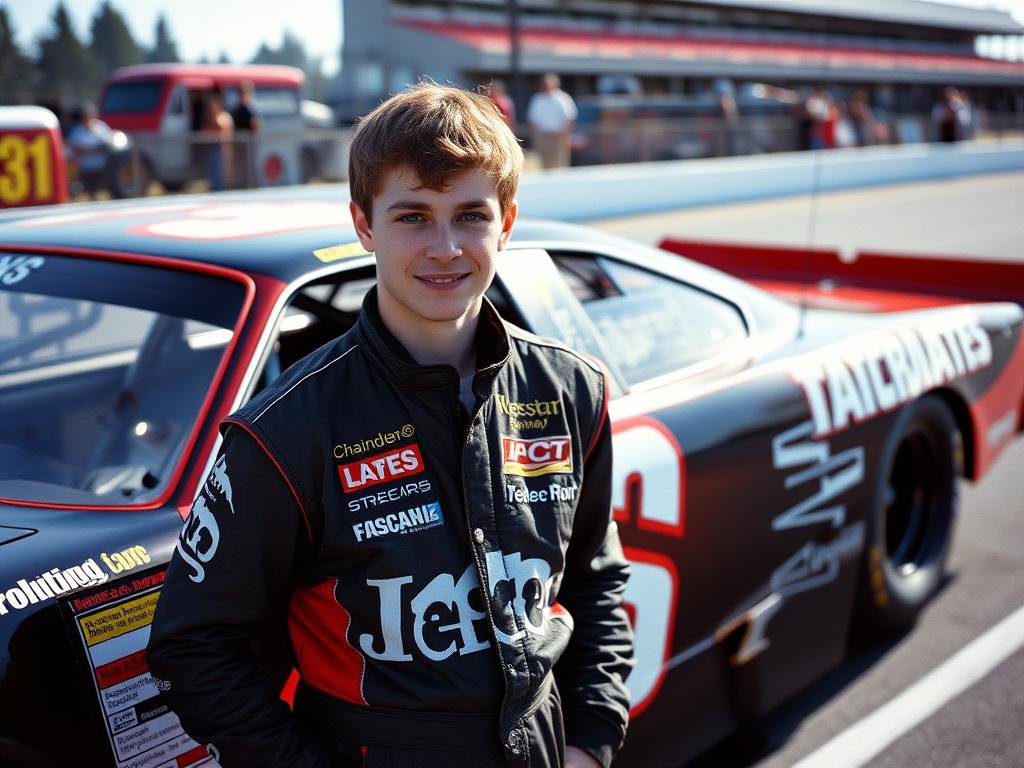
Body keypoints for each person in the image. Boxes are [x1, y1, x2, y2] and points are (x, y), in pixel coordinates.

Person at [147, 82, 634, 768]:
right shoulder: (285, 431)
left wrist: (591, 736)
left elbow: (595, 581)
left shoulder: (571, 390)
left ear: (508, 222)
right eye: (413, 216)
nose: (444, 247)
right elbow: (192, 648)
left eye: (470, 215)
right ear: (364, 223)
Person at [527, 73, 578, 169]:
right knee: (544, 162)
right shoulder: (538, 99)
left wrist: (564, 133)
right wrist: (539, 134)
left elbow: (569, 116)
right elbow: (533, 119)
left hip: (559, 135)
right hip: (543, 135)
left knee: (560, 162)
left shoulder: (563, 98)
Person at [66, 102, 114, 197]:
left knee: (105, 193)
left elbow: (110, 144)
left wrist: (89, 150)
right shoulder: (76, 132)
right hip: (86, 169)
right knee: (89, 193)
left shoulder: (101, 127)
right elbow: (75, 150)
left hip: (103, 167)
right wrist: (96, 149)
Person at [230, 80, 262, 188]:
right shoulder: (240, 109)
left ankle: (249, 186)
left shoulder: (248, 109)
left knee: (249, 168)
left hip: (247, 144)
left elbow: (256, 125)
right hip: (241, 145)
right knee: (242, 169)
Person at [201, 86, 233, 190]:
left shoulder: (223, 117)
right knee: (213, 170)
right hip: (212, 148)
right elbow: (205, 132)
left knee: (222, 172)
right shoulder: (209, 118)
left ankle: (221, 189)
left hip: (222, 149)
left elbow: (225, 132)